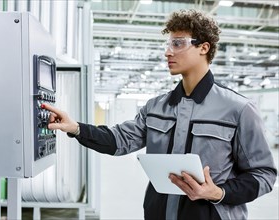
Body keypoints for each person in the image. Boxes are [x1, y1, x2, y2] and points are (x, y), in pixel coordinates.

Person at [42, 9, 277, 220]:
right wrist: (75, 128)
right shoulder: (156, 107)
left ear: (204, 47)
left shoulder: (238, 109)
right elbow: (119, 141)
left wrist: (218, 192)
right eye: (168, 44)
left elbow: (264, 174)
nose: (167, 52)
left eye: (178, 44)